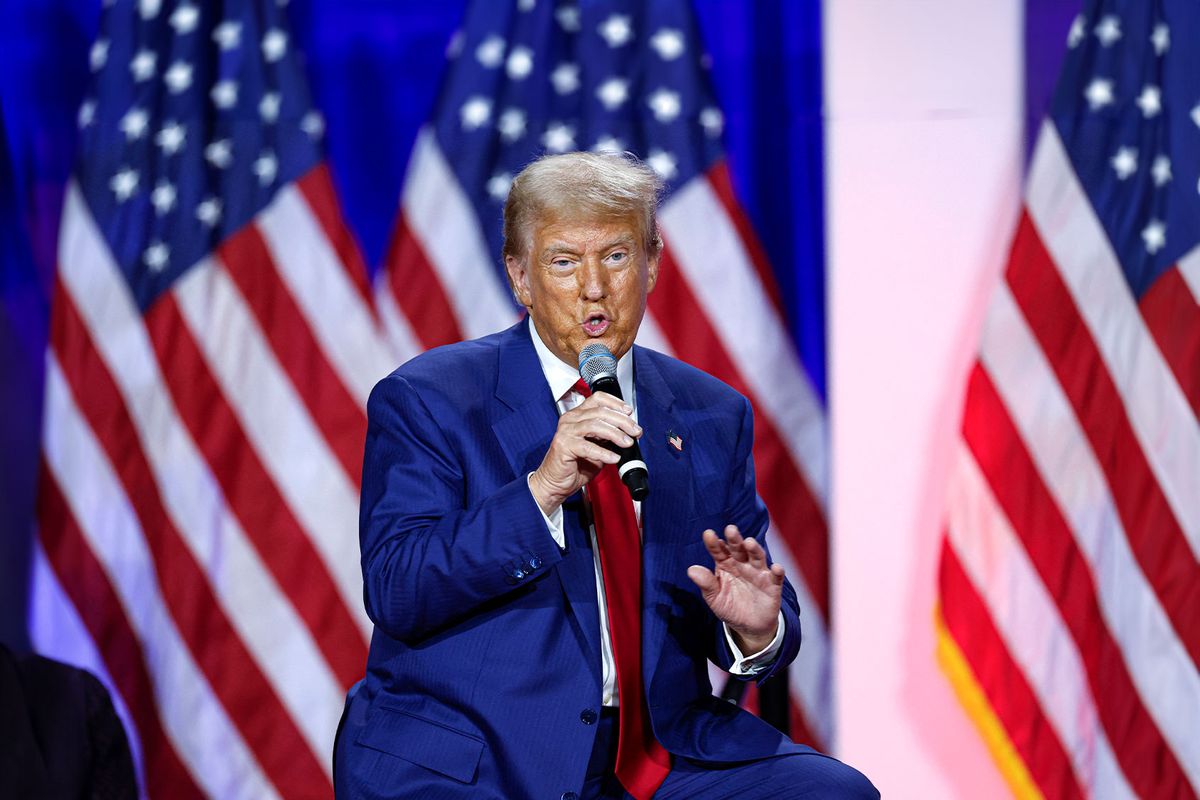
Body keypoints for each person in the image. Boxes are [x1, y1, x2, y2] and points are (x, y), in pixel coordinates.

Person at [334, 152, 877, 799]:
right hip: (480, 758)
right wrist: (540, 493)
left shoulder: (708, 413)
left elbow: (740, 598)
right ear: (520, 276)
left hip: (657, 757)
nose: (593, 287)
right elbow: (397, 588)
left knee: (831, 793)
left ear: (650, 265)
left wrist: (753, 627)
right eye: (564, 261)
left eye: (616, 257)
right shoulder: (432, 399)